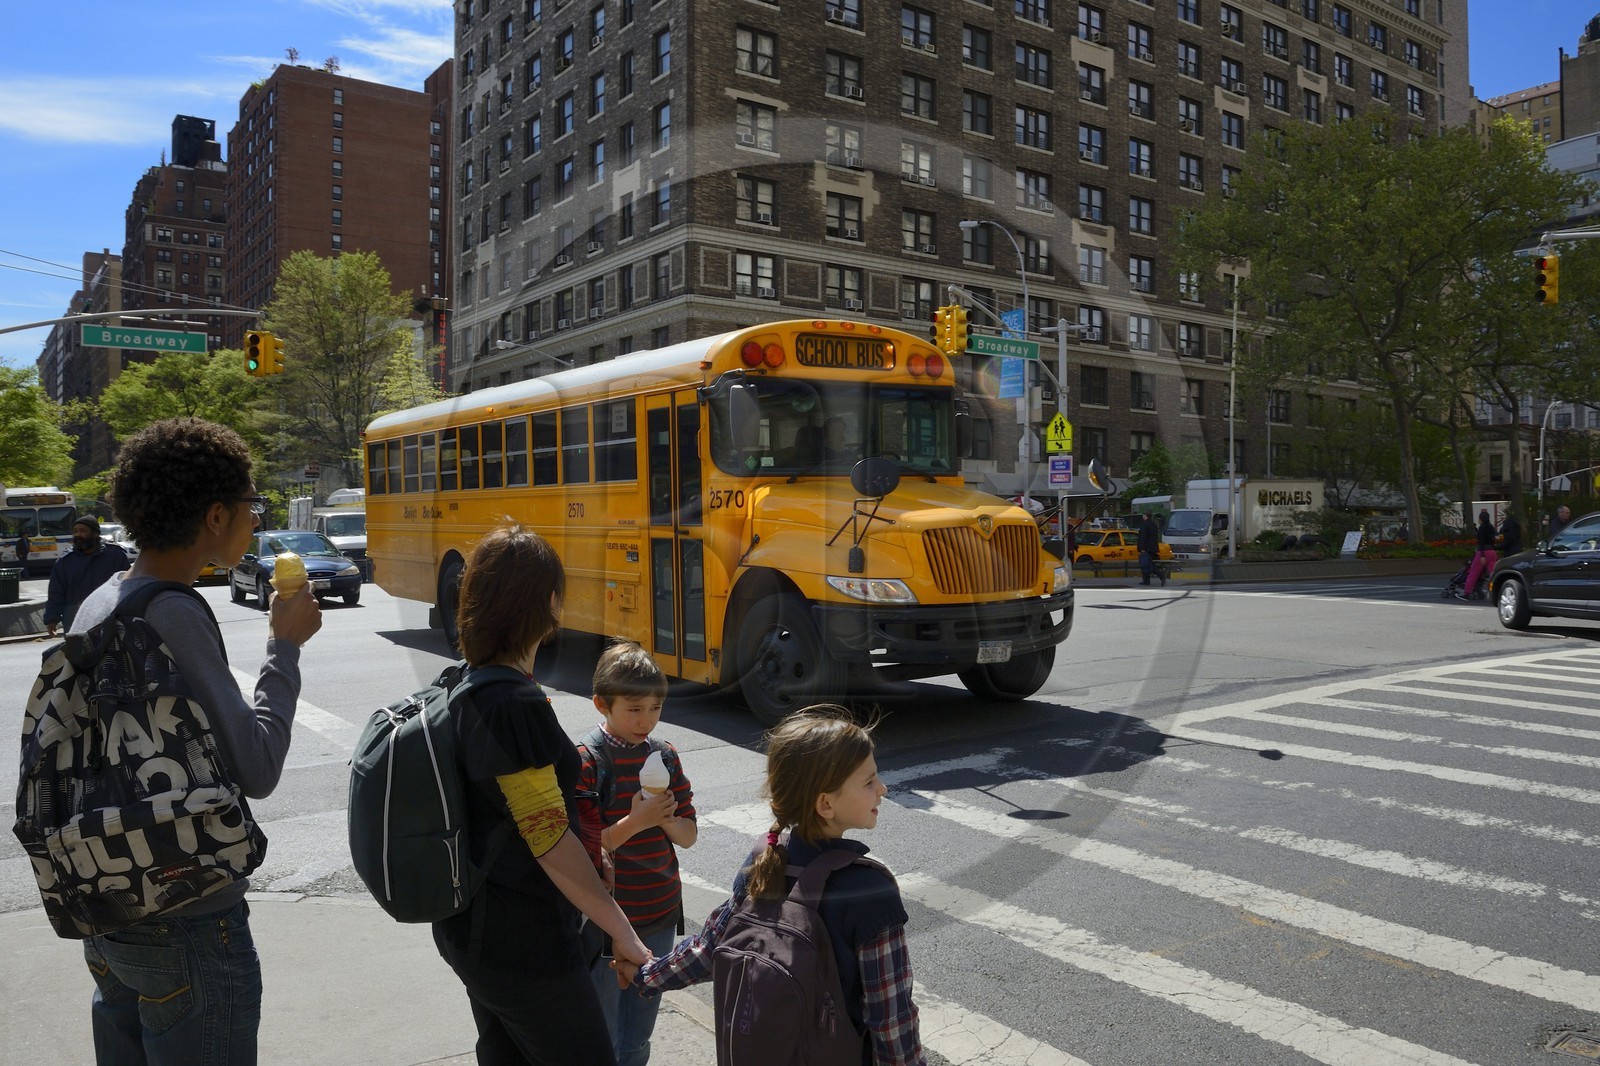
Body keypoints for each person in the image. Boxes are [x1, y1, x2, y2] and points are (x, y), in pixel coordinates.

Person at [71, 417, 323, 1064]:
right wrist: (284, 648)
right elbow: (258, 766)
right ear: (215, 516)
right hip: (187, 916)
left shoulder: (102, 601)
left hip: (106, 905)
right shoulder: (173, 610)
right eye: (249, 506)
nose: (253, 518)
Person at [435, 525, 650, 1066]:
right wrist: (621, 932)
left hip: (473, 929)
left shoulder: (462, 682)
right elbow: (547, 836)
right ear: (550, 603)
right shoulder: (513, 705)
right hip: (522, 944)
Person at [634, 706, 926, 1066]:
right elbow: (892, 1020)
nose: (882, 788)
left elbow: (709, 948)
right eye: (868, 781)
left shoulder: (765, 855)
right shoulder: (868, 889)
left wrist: (646, 975)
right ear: (825, 804)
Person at [579, 640, 698, 1066]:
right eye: (634, 708)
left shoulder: (664, 755)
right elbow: (581, 851)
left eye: (655, 708)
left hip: (660, 914)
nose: (645, 719)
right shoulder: (588, 761)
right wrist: (637, 821)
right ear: (601, 704)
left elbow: (687, 836)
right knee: (604, 1031)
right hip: (609, 922)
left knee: (639, 1033)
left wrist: (663, 817)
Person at [44, 516, 131, 636]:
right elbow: (56, 591)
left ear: (95, 533)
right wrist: (51, 618)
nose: (78, 535)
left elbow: (127, 585)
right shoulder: (65, 561)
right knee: (77, 653)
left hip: (108, 614)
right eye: (75, 531)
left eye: (83, 531)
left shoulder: (114, 555)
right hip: (75, 616)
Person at [1461, 509, 1498, 600]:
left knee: (1473, 573)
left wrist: (1482, 555)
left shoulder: (1482, 528)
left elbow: (1481, 542)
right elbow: (1495, 538)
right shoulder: (1491, 527)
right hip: (1492, 552)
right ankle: (1497, 591)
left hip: (1483, 552)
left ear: (1481, 519)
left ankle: (1467, 593)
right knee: (1493, 573)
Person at [1137, 512, 1165, 587]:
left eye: (1143, 515)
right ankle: (1149, 579)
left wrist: (1142, 548)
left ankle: (1158, 576)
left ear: (1145, 516)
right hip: (1153, 548)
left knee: (1145, 564)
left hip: (1146, 548)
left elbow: (1143, 537)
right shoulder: (1154, 525)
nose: (1142, 516)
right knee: (1150, 564)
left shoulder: (1144, 525)